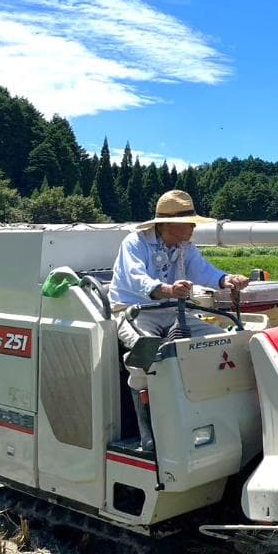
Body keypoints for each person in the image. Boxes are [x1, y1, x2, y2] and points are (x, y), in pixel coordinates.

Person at [109, 189, 250, 451]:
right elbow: (137, 279)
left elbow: (204, 271)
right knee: (148, 351)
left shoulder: (185, 247)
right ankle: (148, 433)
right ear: (169, 224)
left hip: (173, 310)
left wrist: (227, 280)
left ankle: (198, 414)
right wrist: (168, 289)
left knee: (221, 340)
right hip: (133, 310)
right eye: (189, 222)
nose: (194, 227)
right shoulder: (135, 243)